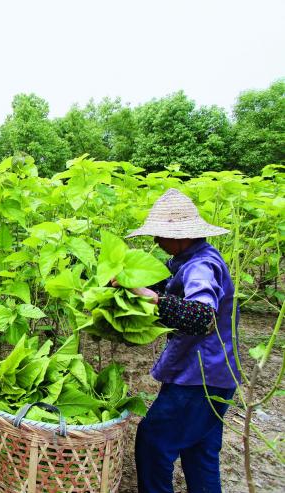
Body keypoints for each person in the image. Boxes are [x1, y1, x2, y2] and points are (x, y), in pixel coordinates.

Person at [121, 188, 240, 493]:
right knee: (199, 453)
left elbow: (201, 316)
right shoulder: (192, 259)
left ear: (178, 236)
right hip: (216, 376)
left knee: (153, 442)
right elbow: (172, 284)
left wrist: (154, 300)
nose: (156, 242)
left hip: (198, 379)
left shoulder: (201, 265)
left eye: (159, 235)